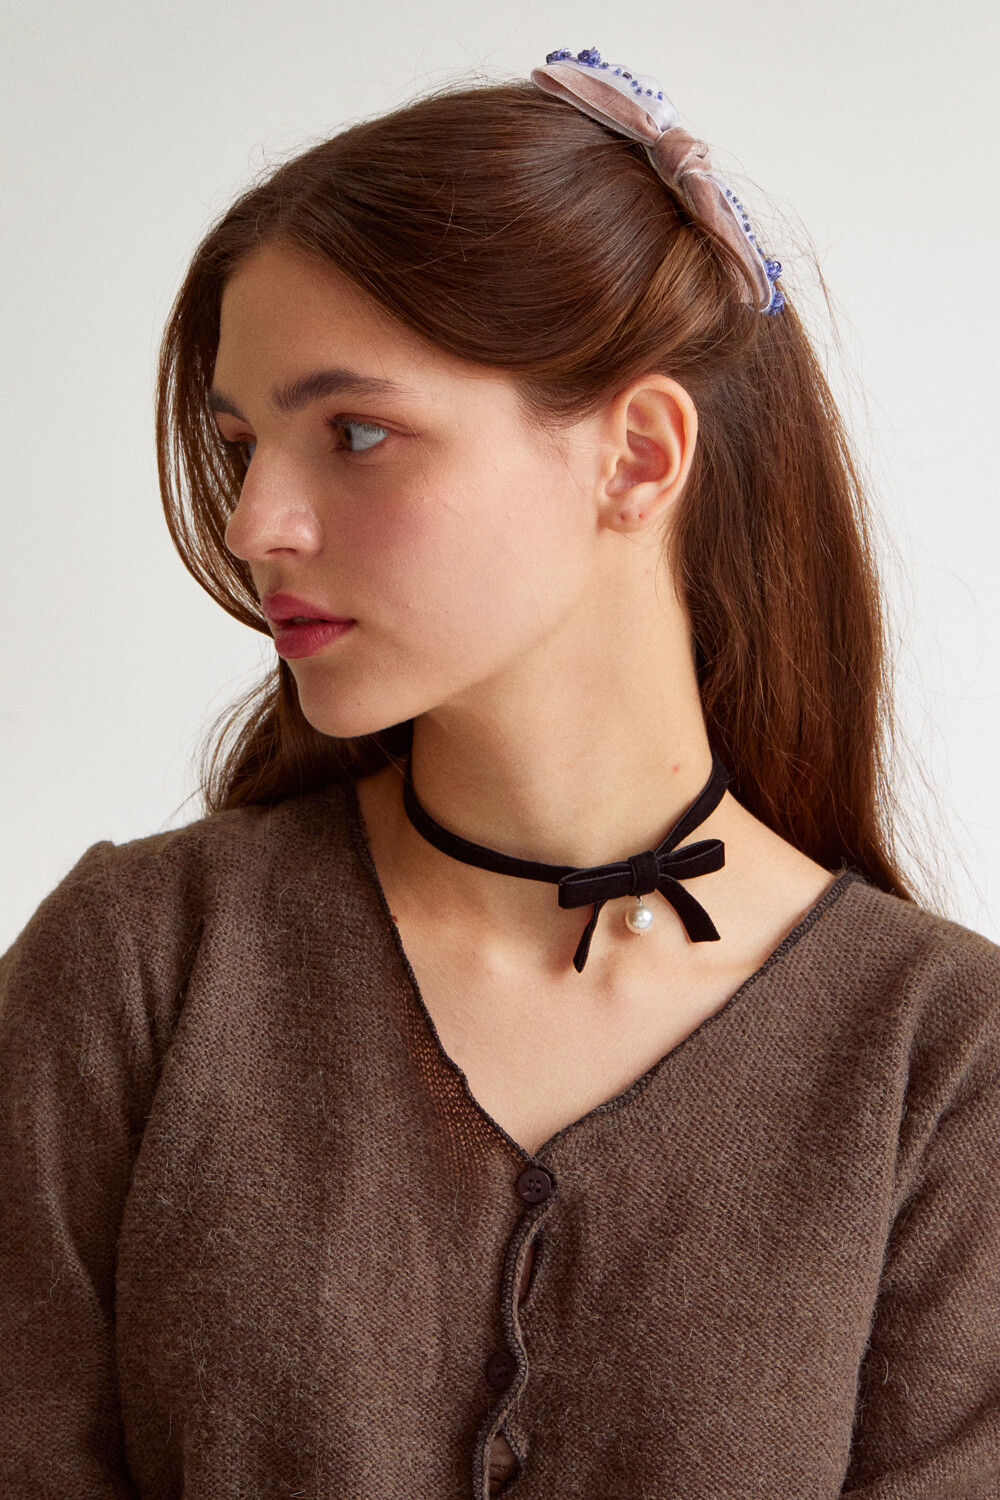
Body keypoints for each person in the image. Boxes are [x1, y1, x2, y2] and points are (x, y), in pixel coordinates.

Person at [1, 45, 997, 1499]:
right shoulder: (139, 968)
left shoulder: (944, 1065)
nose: (257, 524)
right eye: (241, 445)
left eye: (355, 434)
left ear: (637, 457)